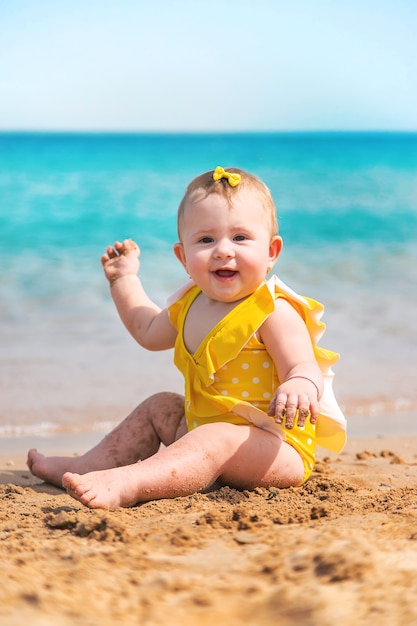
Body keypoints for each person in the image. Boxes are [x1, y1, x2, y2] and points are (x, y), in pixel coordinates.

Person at [27, 166, 346, 510]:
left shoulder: (273, 311)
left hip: (274, 449)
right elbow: (145, 329)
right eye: (206, 240)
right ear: (182, 257)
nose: (223, 250)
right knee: (159, 406)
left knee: (216, 437)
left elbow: (304, 364)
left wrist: (298, 384)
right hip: (198, 434)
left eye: (240, 238)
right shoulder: (189, 303)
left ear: (271, 252)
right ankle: (87, 466)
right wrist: (123, 280)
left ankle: (130, 482)